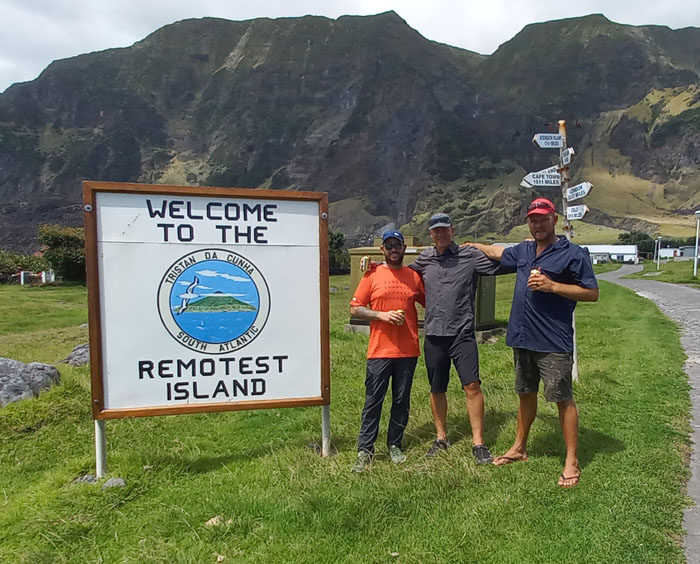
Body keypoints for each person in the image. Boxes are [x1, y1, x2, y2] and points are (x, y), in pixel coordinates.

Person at [467, 197, 599, 487]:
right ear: (528, 222)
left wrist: (552, 286)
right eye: (533, 219)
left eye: (543, 218)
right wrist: (476, 247)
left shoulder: (573, 254)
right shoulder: (524, 250)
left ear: (554, 219)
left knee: (562, 399)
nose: (538, 224)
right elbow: (499, 253)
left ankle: (571, 461)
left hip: (553, 341)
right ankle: (519, 448)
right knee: (525, 393)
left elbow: (592, 293)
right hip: (522, 337)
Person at [410, 213, 501, 463]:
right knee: (437, 387)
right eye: (435, 231)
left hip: (462, 334)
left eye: (444, 230)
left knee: (471, 386)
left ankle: (479, 443)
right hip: (434, 335)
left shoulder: (469, 256)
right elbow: (401, 276)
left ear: (452, 230)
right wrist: (376, 268)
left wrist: (529, 250)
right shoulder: (424, 259)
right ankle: (441, 438)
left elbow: (505, 264)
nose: (440, 234)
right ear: (431, 234)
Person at [349, 230, 425, 473]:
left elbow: (431, 300)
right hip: (379, 350)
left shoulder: (413, 276)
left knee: (401, 401)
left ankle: (395, 444)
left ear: (404, 248)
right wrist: (380, 315)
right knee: (373, 401)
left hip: (408, 350)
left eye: (397, 245)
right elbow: (355, 309)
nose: (394, 249)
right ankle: (365, 450)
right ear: (382, 249)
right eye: (389, 246)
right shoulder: (372, 274)